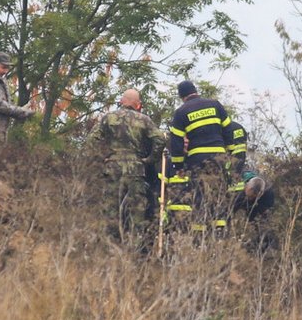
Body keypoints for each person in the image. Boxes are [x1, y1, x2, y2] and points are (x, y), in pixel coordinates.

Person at [87, 88, 166, 240]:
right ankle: (135, 252)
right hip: (135, 170)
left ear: (122, 101)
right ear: (138, 104)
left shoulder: (107, 118)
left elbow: (91, 141)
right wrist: (150, 159)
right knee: (137, 214)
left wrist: (100, 159)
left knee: (111, 213)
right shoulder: (144, 119)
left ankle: (110, 250)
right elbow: (160, 139)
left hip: (112, 168)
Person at [168, 80, 234, 221]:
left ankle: (199, 230)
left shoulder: (181, 112)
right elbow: (228, 130)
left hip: (197, 159)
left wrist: (178, 166)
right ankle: (219, 230)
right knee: (219, 193)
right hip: (219, 157)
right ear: (195, 91)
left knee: (199, 195)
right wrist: (230, 153)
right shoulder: (215, 104)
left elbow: (177, 142)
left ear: (182, 96)